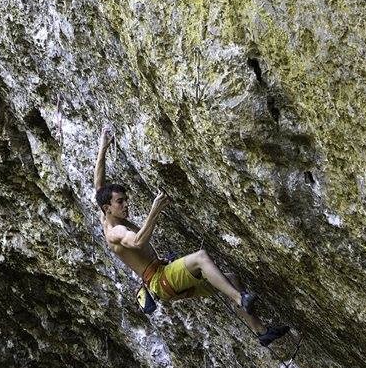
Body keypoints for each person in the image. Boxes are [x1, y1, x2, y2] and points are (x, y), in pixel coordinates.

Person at [94, 125, 290, 347]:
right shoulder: (116, 232)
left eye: (124, 200)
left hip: (163, 278)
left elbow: (98, 185)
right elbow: (138, 241)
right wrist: (155, 210)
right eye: (120, 202)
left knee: (231, 280)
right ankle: (240, 299)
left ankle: (261, 331)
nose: (125, 204)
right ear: (107, 208)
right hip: (160, 280)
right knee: (201, 257)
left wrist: (103, 148)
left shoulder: (106, 215)